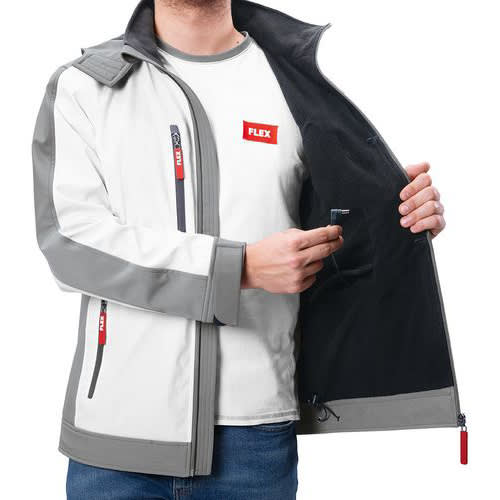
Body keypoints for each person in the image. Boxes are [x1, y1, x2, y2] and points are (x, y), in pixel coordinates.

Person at [32, 1, 454, 499]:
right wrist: (238, 269)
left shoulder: (292, 82)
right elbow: (70, 242)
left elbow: (331, 232)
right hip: (116, 439)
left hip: (254, 439)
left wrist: (393, 215)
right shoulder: (87, 85)